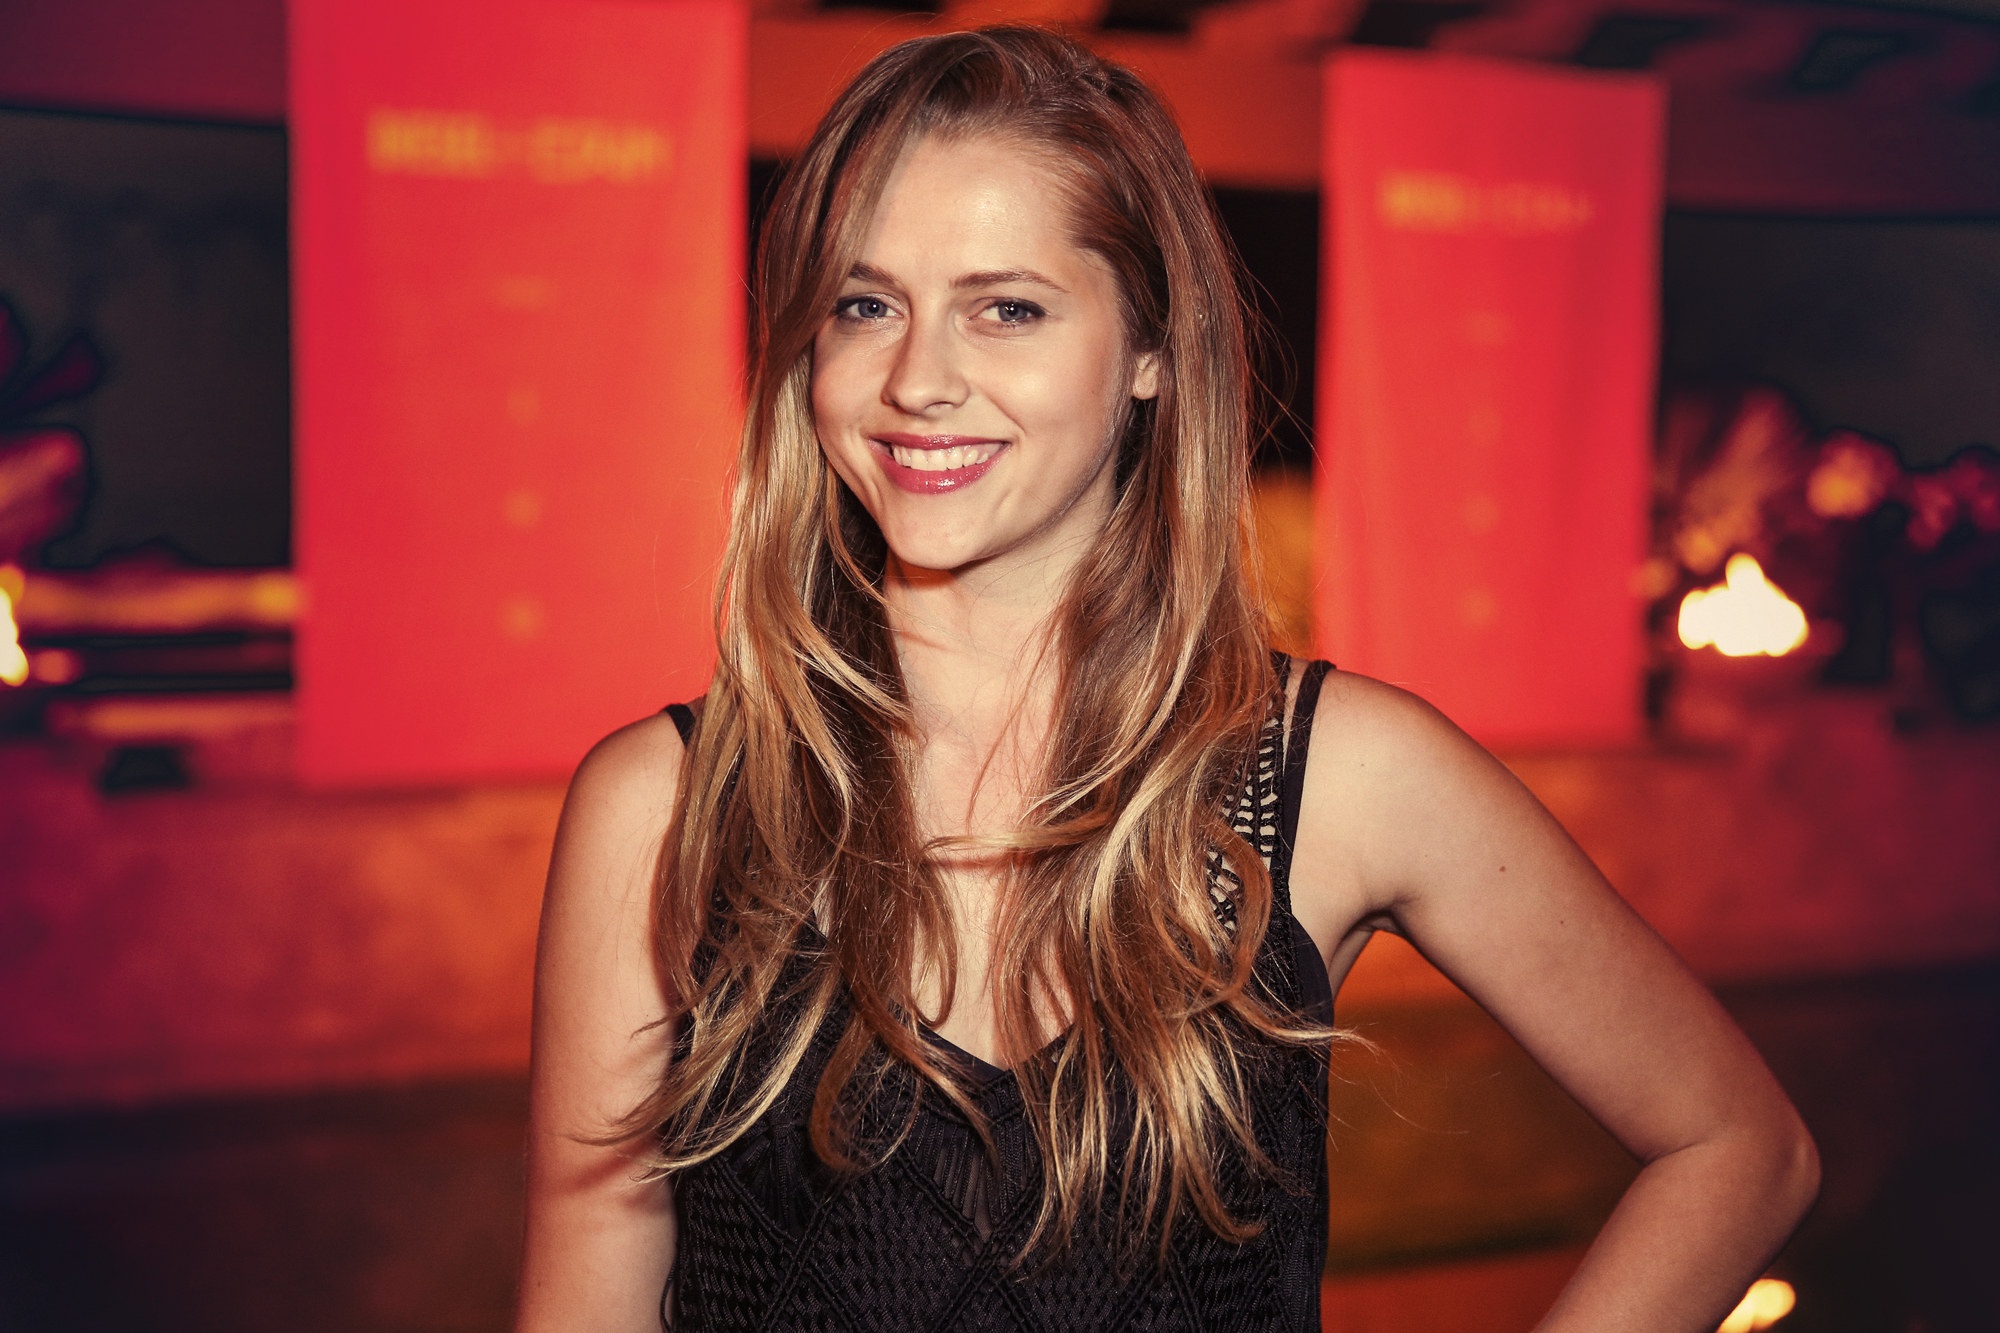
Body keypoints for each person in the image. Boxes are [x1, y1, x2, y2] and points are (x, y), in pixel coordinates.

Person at [514, 27, 1818, 1332]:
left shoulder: (1338, 774)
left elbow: (1739, 1148)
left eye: (1006, 308)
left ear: (1150, 347)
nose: (917, 379)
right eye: (866, 305)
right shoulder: (665, 808)